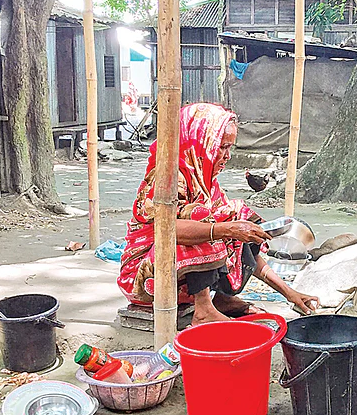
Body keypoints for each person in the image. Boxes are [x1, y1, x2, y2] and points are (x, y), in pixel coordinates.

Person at [118, 103, 319, 325]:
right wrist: (225, 229)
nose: (227, 156)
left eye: (229, 148)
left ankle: (223, 299)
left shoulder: (206, 182)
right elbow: (168, 231)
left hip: (181, 285)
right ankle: (203, 310)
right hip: (146, 277)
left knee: (236, 216)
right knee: (206, 219)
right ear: (201, 140)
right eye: (222, 147)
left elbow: (244, 243)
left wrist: (290, 293)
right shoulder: (166, 177)